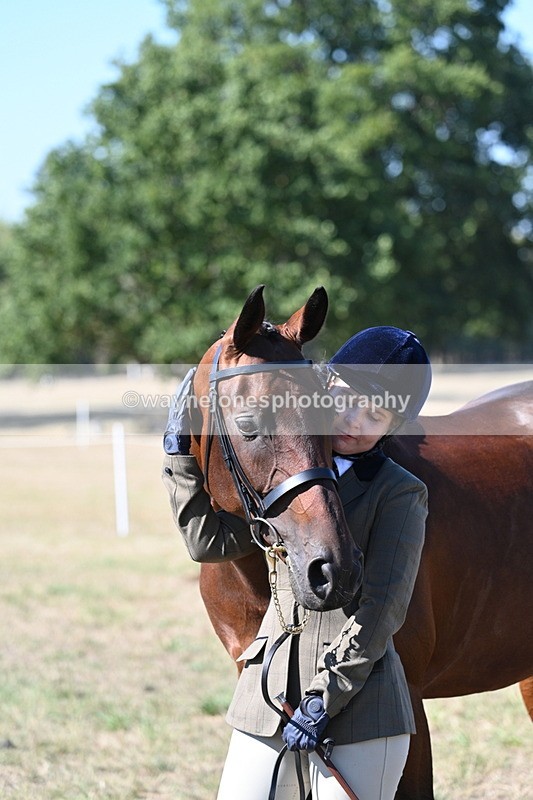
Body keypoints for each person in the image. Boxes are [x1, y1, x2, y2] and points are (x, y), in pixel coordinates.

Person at [162, 326, 432, 800]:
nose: (354, 420)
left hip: (359, 703)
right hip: (267, 696)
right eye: (347, 399)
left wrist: (324, 700)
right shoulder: (286, 469)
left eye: (376, 414)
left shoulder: (401, 492)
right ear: (325, 389)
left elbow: (382, 609)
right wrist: (179, 453)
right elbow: (207, 543)